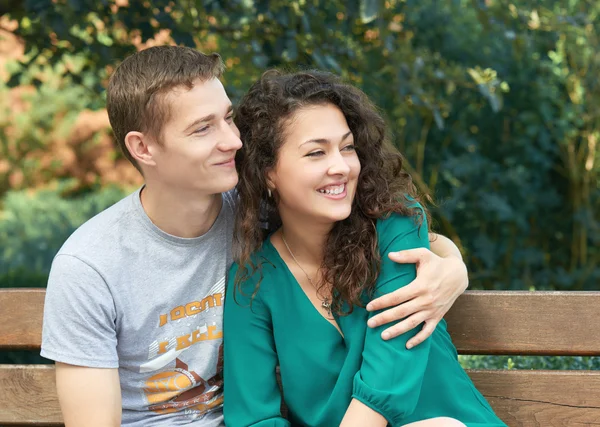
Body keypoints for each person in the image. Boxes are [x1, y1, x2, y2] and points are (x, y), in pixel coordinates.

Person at [41, 46, 468, 427]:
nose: (233, 140)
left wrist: (452, 265)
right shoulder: (90, 266)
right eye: (202, 128)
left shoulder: (258, 212)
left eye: (228, 118)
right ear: (143, 148)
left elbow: (392, 228)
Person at [223, 70, 506, 427]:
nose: (341, 167)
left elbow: (389, 376)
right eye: (316, 153)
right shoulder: (253, 281)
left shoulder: (394, 225)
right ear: (268, 173)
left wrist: (453, 260)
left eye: (347, 147)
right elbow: (252, 417)